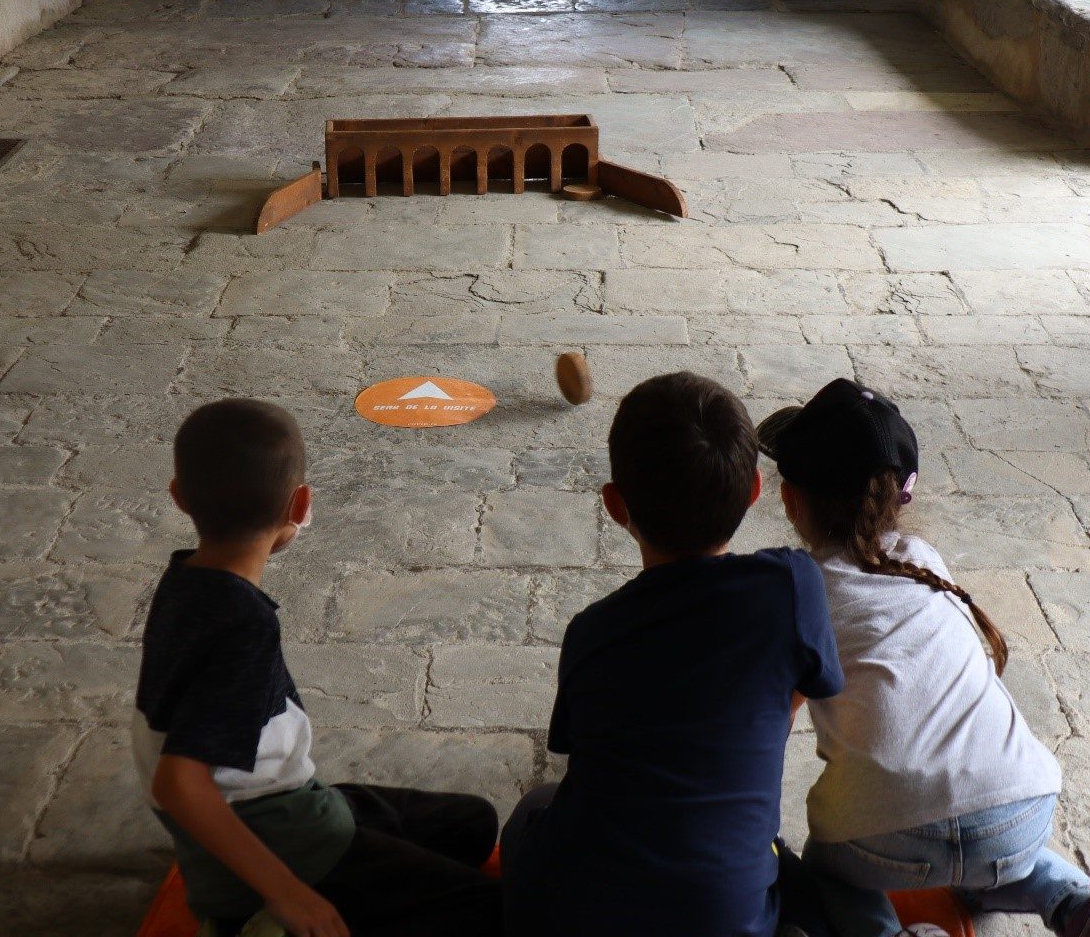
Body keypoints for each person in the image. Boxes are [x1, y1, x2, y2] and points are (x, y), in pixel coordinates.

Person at [758, 379, 1090, 937]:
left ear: (789, 498)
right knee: (986, 846)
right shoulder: (923, 559)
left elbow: (770, 712)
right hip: (1020, 809)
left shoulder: (796, 587)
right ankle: (1080, 901)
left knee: (829, 867)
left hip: (887, 842)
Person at [132, 398, 503, 937]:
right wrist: (289, 895)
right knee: (498, 914)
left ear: (179, 497)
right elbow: (179, 783)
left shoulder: (185, 580)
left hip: (291, 803)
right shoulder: (242, 627)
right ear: (300, 503)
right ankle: (254, 916)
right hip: (278, 834)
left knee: (472, 824)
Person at [501, 371, 845, 937]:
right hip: (728, 919)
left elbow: (576, 747)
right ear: (756, 490)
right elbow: (811, 682)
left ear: (615, 506)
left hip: (572, 915)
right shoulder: (790, 586)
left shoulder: (591, 633)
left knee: (532, 808)